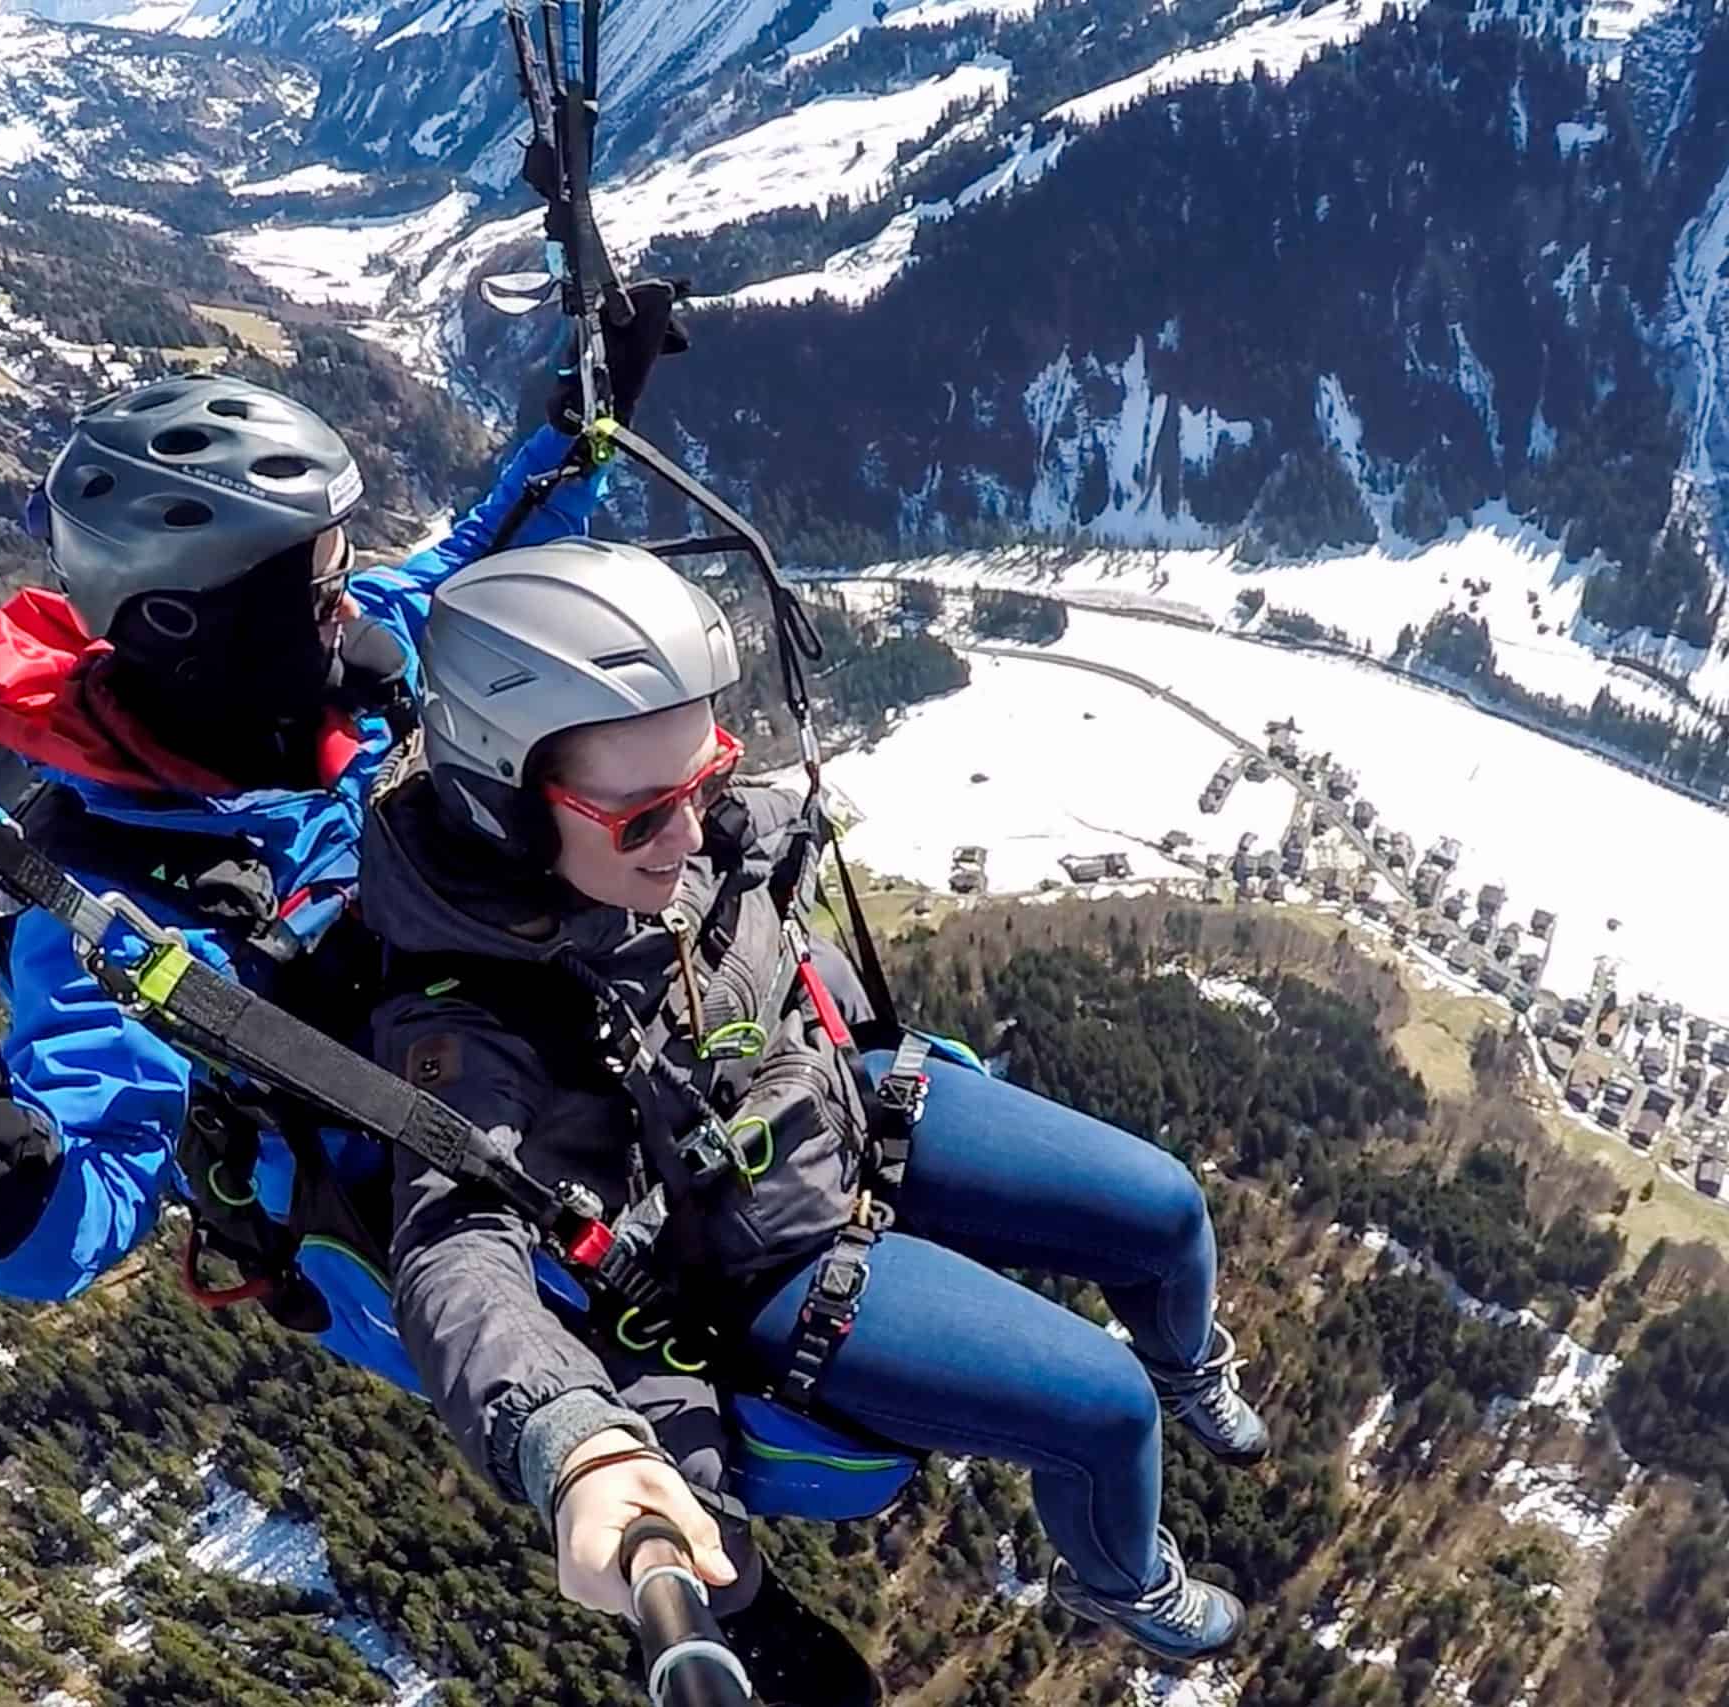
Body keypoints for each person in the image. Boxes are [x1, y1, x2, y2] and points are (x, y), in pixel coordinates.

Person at [360, 538, 1270, 1696]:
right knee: (1104, 1412)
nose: (691, 836)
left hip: (838, 1105)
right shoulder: (474, 1023)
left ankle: (1187, 1359)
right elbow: (455, 1248)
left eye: (707, 777)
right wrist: (569, 1438)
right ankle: (1121, 1576)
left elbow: (755, 912)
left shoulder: (668, 840)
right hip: (765, 1260)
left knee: (1166, 1209)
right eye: (643, 818)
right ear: (506, 811)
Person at [0, 285, 690, 1387]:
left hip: (513, 1053)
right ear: (206, 626)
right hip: (417, 1221)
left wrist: (581, 424)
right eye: (321, 584)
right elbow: (99, 1186)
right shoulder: (109, 896)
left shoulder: (317, 687)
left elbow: (476, 557)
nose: (350, 605)